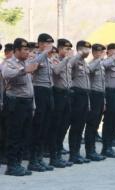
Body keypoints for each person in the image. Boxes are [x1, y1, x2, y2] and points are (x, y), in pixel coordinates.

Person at [2, 38, 38, 176]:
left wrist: (33, 105)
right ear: (16, 50)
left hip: (27, 103)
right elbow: (6, 74)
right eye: (25, 50)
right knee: (14, 135)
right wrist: (23, 70)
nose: (27, 52)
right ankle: (11, 166)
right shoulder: (9, 62)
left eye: (28, 50)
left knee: (24, 135)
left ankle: (18, 163)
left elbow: (30, 87)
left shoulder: (27, 62)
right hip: (15, 103)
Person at [28, 33, 55, 172]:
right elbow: (31, 67)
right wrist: (44, 52)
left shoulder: (50, 59)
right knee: (37, 127)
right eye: (46, 43)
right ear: (39, 44)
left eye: (50, 44)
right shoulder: (35, 56)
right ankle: (32, 160)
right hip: (38, 91)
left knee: (45, 126)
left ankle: (39, 158)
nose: (49, 46)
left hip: (49, 92)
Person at [49, 38, 74, 168]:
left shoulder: (69, 62)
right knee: (56, 126)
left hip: (68, 94)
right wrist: (65, 60)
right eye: (65, 48)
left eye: (69, 49)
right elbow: (56, 71)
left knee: (64, 125)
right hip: (58, 94)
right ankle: (54, 157)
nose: (68, 51)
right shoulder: (55, 59)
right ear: (59, 49)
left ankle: (59, 153)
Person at [68, 40, 93, 164]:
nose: (88, 52)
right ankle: (73, 154)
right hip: (76, 94)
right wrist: (78, 54)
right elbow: (68, 65)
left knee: (80, 126)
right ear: (79, 49)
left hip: (85, 95)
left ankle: (77, 152)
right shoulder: (75, 60)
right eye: (85, 49)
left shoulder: (85, 63)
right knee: (76, 125)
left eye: (89, 49)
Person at [85, 43, 106, 161]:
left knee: (96, 125)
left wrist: (104, 101)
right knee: (91, 124)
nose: (100, 54)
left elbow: (103, 84)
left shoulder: (101, 65)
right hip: (93, 95)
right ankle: (89, 151)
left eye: (101, 52)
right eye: (97, 52)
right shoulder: (93, 63)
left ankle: (93, 149)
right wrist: (98, 59)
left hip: (100, 95)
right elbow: (90, 70)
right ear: (93, 52)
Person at [101, 43, 115, 158]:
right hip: (109, 93)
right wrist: (114, 57)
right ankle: (106, 147)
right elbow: (103, 65)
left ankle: (110, 145)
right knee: (109, 121)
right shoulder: (107, 61)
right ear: (108, 52)